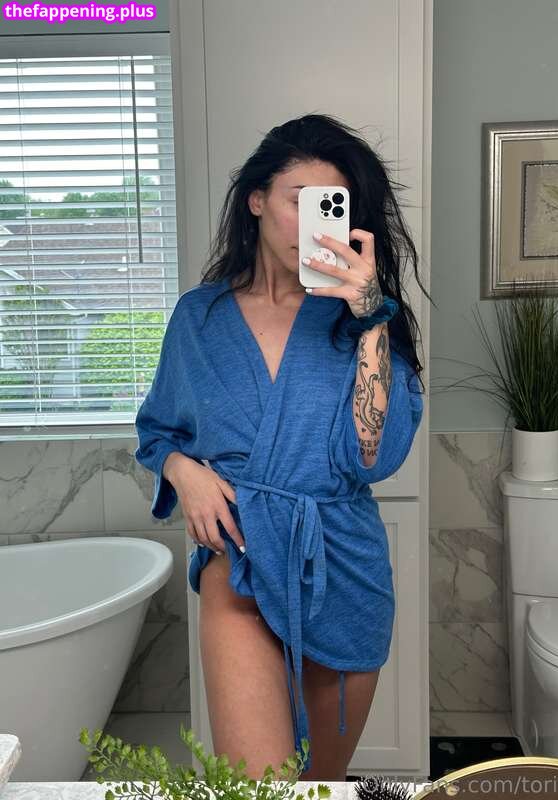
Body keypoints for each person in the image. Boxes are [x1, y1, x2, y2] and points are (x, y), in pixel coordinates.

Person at [134, 113, 430, 781]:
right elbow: (158, 430)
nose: (314, 221)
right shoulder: (199, 317)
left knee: (318, 786)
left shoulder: (360, 319)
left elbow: (371, 455)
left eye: (332, 205)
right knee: (260, 788)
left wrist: (371, 317)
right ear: (257, 200)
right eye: (301, 200)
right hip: (238, 554)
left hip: (342, 562)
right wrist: (183, 471)